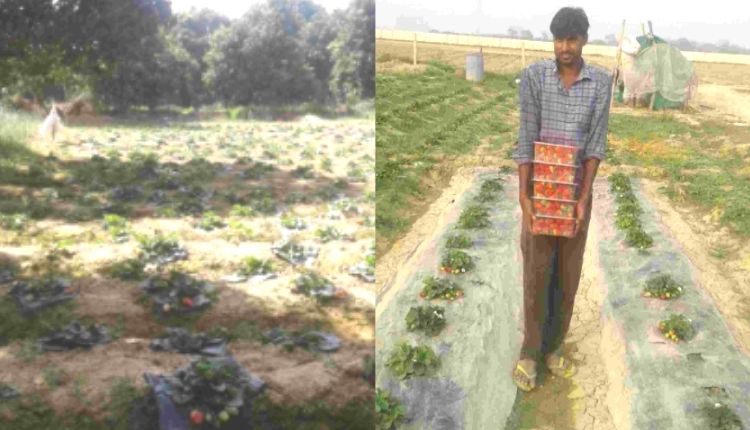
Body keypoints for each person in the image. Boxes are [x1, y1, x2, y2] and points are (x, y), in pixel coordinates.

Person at [509, 6, 612, 392]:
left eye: (570, 39)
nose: (564, 47)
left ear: (583, 40)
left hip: (573, 196)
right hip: (540, 190)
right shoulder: (535, 77)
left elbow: (595, 146)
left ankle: (554, 347)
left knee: (566, 275)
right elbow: (525, 137)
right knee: (536, 272)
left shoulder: (600, 82)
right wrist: (524, 195)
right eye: (558, 39)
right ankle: (529, 353)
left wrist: (584, 198)